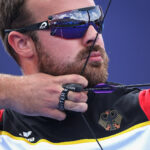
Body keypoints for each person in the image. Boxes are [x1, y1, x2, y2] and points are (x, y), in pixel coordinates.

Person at [0, 0, 150, 149]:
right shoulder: (4, 131)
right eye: (72, 23)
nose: (94, 34)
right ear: (22, 43)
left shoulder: (144, 111)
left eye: (96, 20)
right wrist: (11, 90)